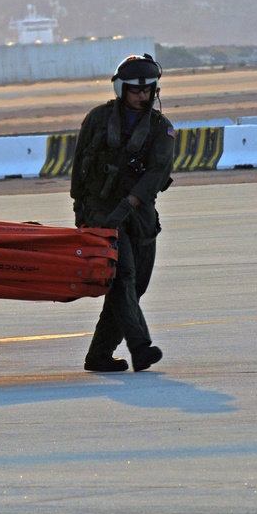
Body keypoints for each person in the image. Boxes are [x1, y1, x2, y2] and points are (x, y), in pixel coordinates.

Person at [70, 54, 175, 372]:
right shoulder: (97, 120)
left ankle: (99, 356)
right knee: (122, 280)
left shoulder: (161, 129)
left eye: (147, 91)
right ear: (122, 89)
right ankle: (141, 348)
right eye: (135, 91)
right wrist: (81, 212)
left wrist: (129, 204)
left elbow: (158, 172)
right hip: (102, 214)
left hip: (139, 217)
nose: (142, 97)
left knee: (134, 287)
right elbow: (79, 169)